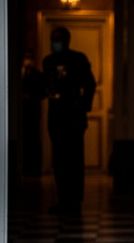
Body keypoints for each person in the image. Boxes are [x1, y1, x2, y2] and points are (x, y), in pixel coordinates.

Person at [42, 26, 96, 215]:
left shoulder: (78, 59)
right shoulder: (48, 62)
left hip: (73, 116)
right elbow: (44, 86)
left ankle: (75, 200)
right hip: (56, 116)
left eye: (58, 39)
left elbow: (90, 83)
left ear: (66, 40)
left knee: (74, 159)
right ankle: (63, 199)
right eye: (52, 39)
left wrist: (84, 105)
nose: (55, 43)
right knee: (59, 160)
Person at [21, 50, 46, 176]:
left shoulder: (38, 75)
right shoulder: (17, 73)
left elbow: (43, 92)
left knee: (33, 140)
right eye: (26, 57)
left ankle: (34, 170)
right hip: (20, 113)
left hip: (33, 112)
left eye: (30, 58)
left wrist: (32, 97)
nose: (28, 60)